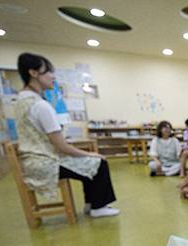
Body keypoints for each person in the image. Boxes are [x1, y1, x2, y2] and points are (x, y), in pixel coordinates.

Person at [14, 52, 119, 217]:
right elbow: (61, 146)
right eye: (48, 71)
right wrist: (91, 153)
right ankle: (98, 206)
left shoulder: (21, 101)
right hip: (46, 162)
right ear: (33, 73)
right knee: (98, 162)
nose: (53, 77)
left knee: (89, 163)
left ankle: (91, 204)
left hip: (32, 161)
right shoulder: (41, 105)